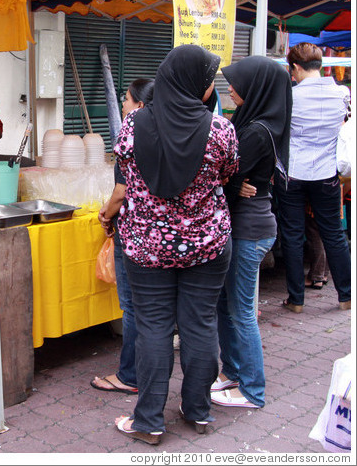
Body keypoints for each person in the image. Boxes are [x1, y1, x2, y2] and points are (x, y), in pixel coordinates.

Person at [112, 44, 238, 445]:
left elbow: (124, 169)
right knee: (200, 324)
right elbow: (228, 172)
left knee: (153, 328)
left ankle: (149, 420)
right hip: (206, 243)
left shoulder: (132, 126)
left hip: (147, 246)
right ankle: (197, 411)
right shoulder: (221, 130)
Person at [212, 55, 293, 410]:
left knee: (241, 310)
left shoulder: (257, 131)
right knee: (225, 305)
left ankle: (252, 390)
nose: (230, 88)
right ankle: (233, 372)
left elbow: (224, 174)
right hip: (246, 223)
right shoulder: (251, 121)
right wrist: (234, 182)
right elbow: (230, 175)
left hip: (250, 228)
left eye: (238, 83)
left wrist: (235, 183)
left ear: (257, 89)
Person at [275, 42, 351, 313]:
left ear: (294, 67)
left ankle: (296, 299)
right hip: (327, 172)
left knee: (293, 236)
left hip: (292, 173)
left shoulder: (290, 96)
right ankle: (346, 295)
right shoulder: (343, 93)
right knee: (333, 233)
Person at [93, 78, 154, 396]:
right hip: (156, 234)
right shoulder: (166, 132)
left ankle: (129, 375)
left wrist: (105, 214)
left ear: (140, 106)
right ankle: (147, 370)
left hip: (131, 233)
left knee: (132, 307)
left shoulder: (131, 135)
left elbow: (121, 190)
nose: (123, 104)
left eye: (127, 100)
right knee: (151, 308)